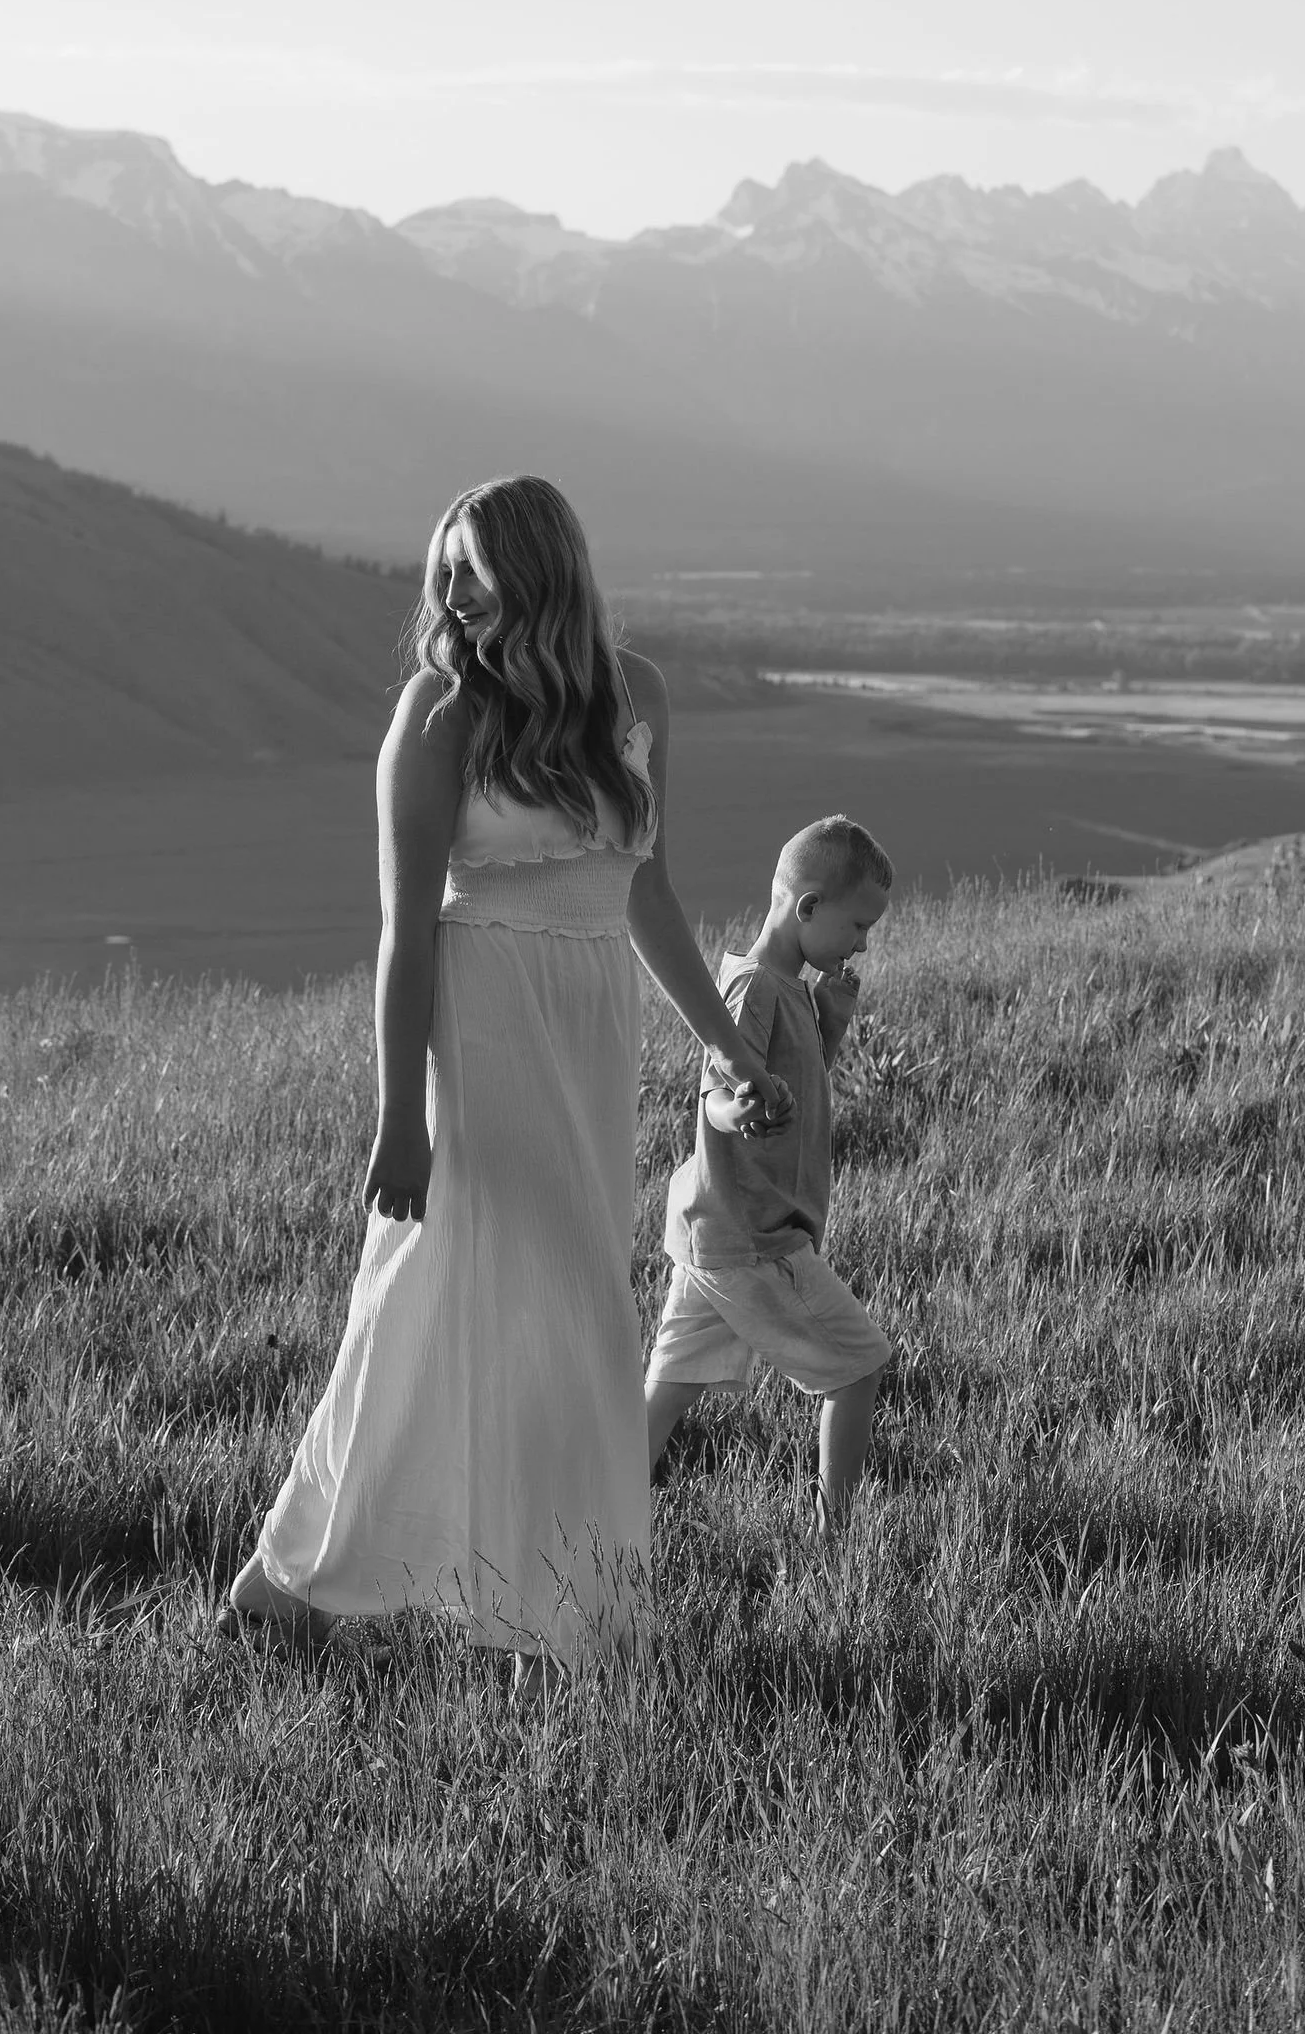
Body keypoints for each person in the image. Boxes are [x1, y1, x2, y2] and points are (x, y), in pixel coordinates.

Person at [223, 474, 792, 1667]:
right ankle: (518, 1611)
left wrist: (726, 1045)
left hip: (586, 1027)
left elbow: (642, 887)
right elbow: (404, 929)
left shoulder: (637, 697)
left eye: (473, 567)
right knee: (507, 1306)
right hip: (476, 1029)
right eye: (445, 570)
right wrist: (398, 1121)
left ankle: (501, 1594)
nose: (450, 591)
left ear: (541, 568)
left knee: (530, 1301)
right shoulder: (436, 714)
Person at [644, 815, 894, 1531]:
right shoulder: (754, 989)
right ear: (807, 907)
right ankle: (832, 1542)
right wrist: (735, 1113)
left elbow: (798, 1089)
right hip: (757, 1233)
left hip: (713, 1229)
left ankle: (593, 1523)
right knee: (857, 1367)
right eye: (857, 925)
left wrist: (830, 1027)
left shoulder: (788, 990)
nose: (862, 944)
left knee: (666, 1397)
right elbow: (716, 1094)